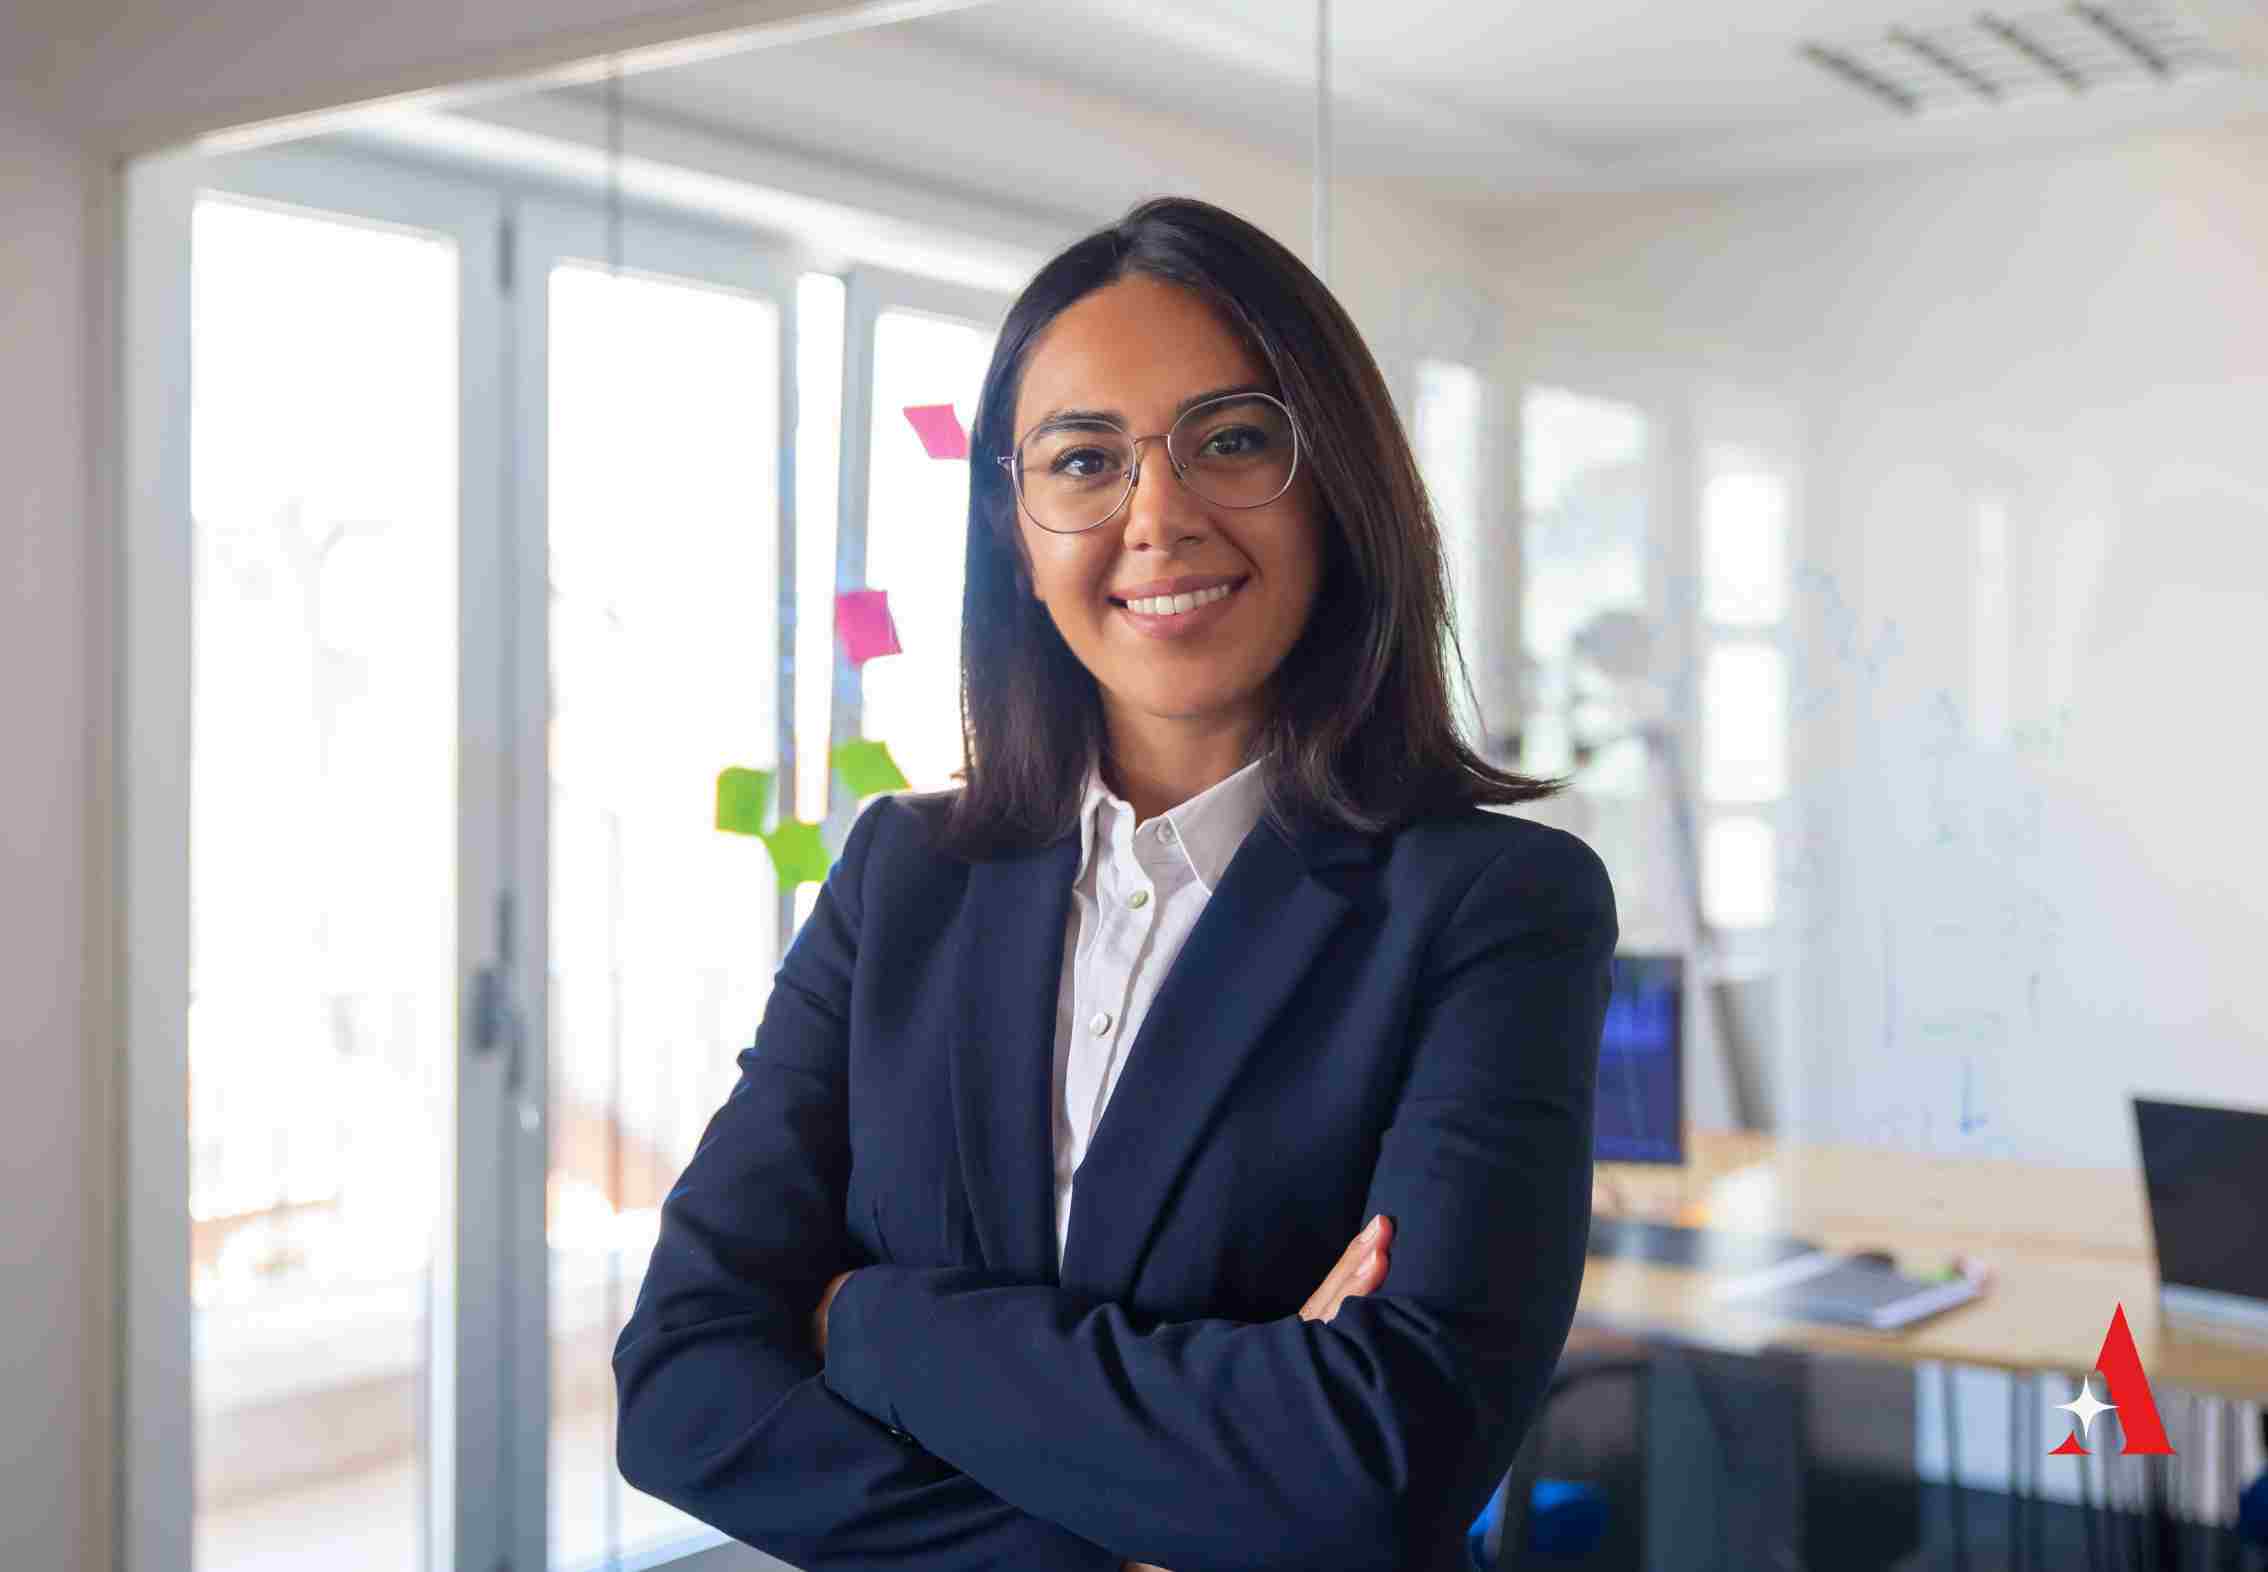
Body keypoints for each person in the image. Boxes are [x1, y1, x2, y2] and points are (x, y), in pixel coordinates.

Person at [612, 195, 1616, 1571]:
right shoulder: (903, 879)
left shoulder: (1494, 906)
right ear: (1014, 536)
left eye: (1235, 440)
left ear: (1338, 488)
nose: (1161, 515)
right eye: (1086, 461)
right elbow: (680, 1387)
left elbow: (1384, 1465)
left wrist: (871, 1323)